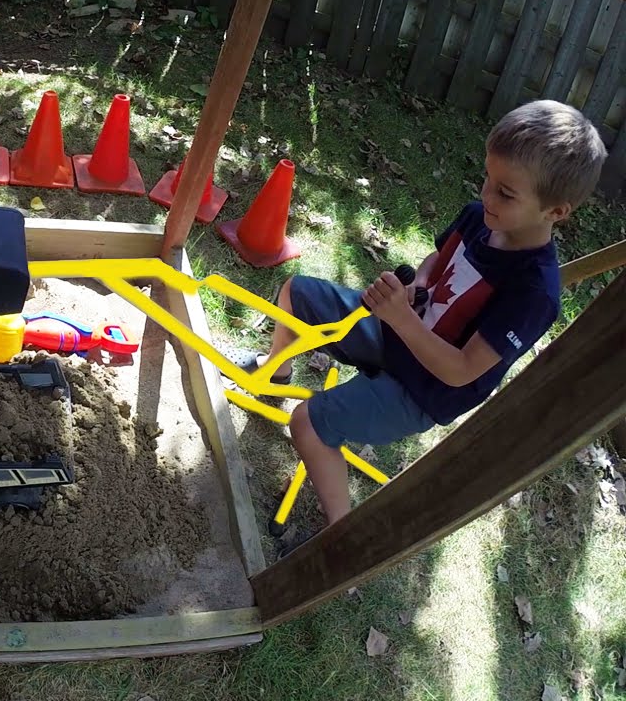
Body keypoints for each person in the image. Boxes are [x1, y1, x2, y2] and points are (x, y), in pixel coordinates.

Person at [237, 99, 607, 534]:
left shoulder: (534, 292)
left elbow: (462, 371)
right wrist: (418, 286)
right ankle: (276, 375)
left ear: (556, 211)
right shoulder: (479, 217)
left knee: (309, 425)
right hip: (395, 332)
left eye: (505, 192)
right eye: (488, 178)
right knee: (296, 293)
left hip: (423, 389)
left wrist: (403, 320)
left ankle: (340, 537)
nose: (486, 196)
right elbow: (438, 257)